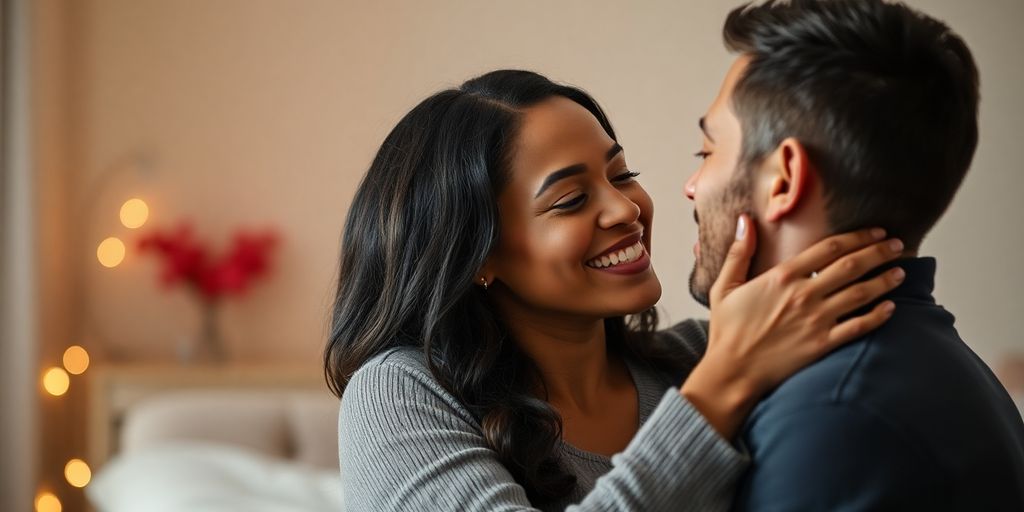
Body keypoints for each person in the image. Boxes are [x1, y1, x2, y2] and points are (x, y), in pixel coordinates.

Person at [325, 69, 903, 511]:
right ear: (475, 255)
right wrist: (726, 383)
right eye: (571, 200)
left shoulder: (696, 358)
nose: (626, 208)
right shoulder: (397, 395)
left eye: (622, 174)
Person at [683, 0, 1024, 509]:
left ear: (784, 179)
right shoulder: (927, 363)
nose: (692, 186)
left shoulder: (832, 412)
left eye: (707, 153)